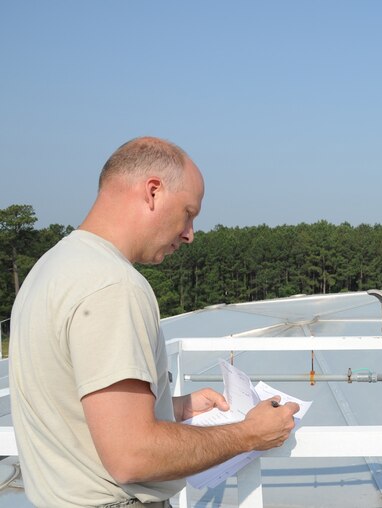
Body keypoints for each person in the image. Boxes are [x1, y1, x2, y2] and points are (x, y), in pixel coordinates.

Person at [9, 137, 300, 508]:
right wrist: (249, 434)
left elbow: (69, 404)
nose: (190, 234)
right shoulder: (112, 284)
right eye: (188, 213)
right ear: (152, 192)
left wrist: (170, 408)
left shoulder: (52, 267)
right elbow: (132, 456)